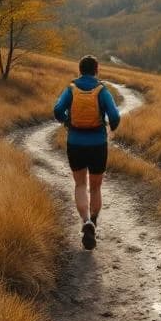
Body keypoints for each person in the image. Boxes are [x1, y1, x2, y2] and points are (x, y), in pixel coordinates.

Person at [53, 55, 121, 250]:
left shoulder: (71, 89)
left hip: (75, 143)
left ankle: (85, 222)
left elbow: (57, 110)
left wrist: (67, 121)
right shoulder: (102, 90)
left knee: (80, 184)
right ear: (96, 70)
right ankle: (93, 222)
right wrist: (110, 127)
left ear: (80, 70)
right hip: (98, 144)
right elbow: (115, 116)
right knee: (96, 187)